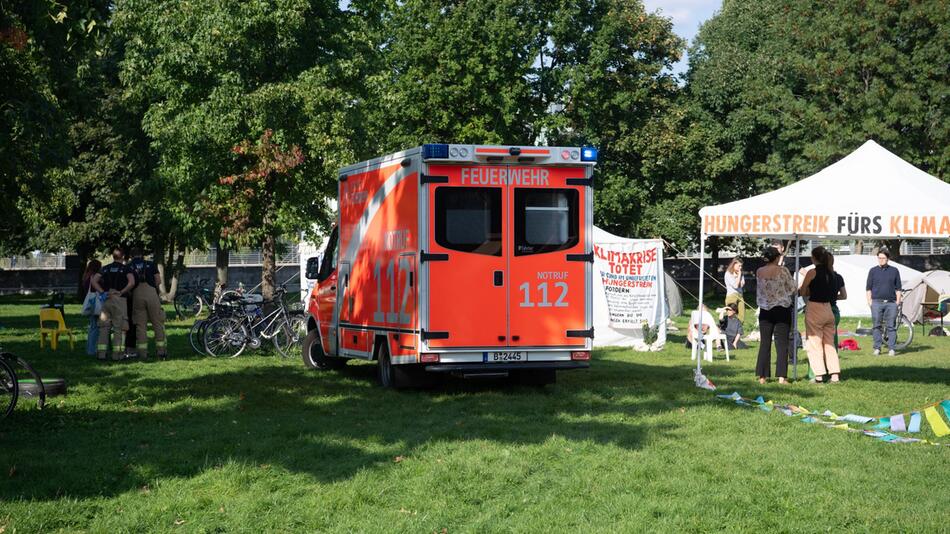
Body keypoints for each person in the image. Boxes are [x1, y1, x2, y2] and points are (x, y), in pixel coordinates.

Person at [755, 246, 797, 384]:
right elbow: (792, 288)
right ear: (777, 257)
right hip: (781, 309)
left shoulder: (759, 271)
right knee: (782, 343)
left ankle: (762, 376)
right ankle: (781, 377)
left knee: (765, 343)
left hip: (765, 310)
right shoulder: (783, 271)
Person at [800, 246, 841, 383]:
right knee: (829, 344)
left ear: (814, 258)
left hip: (815, 308)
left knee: (814, 343)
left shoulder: (812, 272)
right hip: (828, 308)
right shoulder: (832, 274)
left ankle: (819, 376)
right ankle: (834, 374)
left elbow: (803, 290)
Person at [91, 247, 135, 360]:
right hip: (119, 299)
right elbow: (132, 282)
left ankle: (101, 354)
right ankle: (117, 355)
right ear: (123, 256)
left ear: (113, 256)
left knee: (104, 327)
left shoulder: (105, 268)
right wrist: (122, 292)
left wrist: (102, 292)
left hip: (106, 299)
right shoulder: (126, 269)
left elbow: (94, 281)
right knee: (119, 327)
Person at [129, 247, 167, 359]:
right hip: (151, 294)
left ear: (131, 256)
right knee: (157, 323)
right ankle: (161, 351)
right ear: (142, 255)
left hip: (137, 295)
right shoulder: (151, 264)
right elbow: (158, 280)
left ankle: (142, 353)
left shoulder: (129, 266)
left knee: (141, 325)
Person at [866, 248, 902, 356]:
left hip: (891, 303)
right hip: (876, 302)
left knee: (891, 326)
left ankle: (892, 348)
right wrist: (870, 302)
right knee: (876, 326)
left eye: (883, 258)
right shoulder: (873, 271)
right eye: (879, 258)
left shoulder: (894, 271)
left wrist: (897, 302)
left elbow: (898, 288)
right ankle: (877, 348)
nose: (881, 260)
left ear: (888, 259)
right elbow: (868, 288)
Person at [81, 259, 102, 356]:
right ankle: (92, 350)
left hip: (89, 302)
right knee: (96, 328)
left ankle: (90, 348)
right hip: (95, 303)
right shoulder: (94, 277)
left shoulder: (86, 276)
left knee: (92, 327)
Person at [827, 253, 847, 348]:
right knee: (832, 339)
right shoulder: (838, 277)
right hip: (834, 310)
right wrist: (833, 297)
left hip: (822, 310)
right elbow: (844, 296)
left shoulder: (817, 277)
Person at [723, 258, 746, 323]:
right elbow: (735, 286)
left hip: (740, 295)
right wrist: (738, 276)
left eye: (741, 266)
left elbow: (742, 284)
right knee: (731, 315)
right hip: (732, 295)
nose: (740, 268)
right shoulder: (728, 273)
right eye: (739, 266)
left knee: (741, 316)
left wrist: (739, 276)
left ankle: (739, 330)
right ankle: (730, 331)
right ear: (734, 264)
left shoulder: (741, 273)